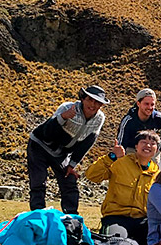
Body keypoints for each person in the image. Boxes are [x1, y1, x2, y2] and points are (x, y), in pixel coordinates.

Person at [28, 85, 109, 214]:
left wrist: (72, 164)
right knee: (38, 181)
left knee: (69, 180)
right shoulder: (67, 108)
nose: (93, 105)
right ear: (83, 99)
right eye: (90, 100)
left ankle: (71, 217)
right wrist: (63, 117)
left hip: (61, 152)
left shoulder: (100, 118)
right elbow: (47, 132)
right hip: (40, 145)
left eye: (98, 102)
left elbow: (87, 142)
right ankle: (38, 215)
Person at [85, 131, 160, 245]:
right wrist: (111, 157)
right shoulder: (120, 162)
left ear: (157, 150)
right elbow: (92, 176)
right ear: (136, 146)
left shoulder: (157, 174)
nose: (148, 146)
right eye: (144, 142)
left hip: (142, 221)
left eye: (152, 143)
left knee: (159, 244)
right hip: (117, 218)